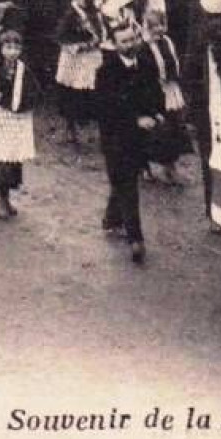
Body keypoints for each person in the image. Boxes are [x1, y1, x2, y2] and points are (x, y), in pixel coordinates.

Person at [94, 21, 165, 265]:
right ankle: (136, 239)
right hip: (116, 137)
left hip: (140, 137)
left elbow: (156, 93)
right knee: (127, 183)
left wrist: (157, 113)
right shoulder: (105, 72)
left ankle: (111, 218)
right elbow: (108, 108)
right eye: (124, 41)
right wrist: (136, 119)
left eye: (133, 39)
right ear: (114, 45)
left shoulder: (146, 64)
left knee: (125, 179)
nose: (131, 44)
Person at [0, 29, 38, 219]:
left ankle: (7, 198)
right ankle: (1, 200)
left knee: (11, 159)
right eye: (8, 47)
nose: (12, 52)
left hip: (14, 120)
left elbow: (35, 92)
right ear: (1, 49)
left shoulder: (24, 70)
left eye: (15, 47)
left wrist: (22, 104)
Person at [54, 0, 106, 145]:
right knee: (71, 92)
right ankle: (70, 126)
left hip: (91, 57)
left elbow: (102, 30)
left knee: (91, 92)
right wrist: (81, 44)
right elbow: (60, 35)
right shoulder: (71, 12)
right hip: (75, 58)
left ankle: (87, 125)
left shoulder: (97, 11)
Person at [141, 9, 189, 187]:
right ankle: (145, 165)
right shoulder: (144, 48)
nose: (159, 29)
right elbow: (145, 78)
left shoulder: (167, 42)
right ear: (147, 27)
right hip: (155, 93)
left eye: (162, 24)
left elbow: (174, 63)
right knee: (155, 131)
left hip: (170, 91)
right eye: (155, 26)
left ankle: (170, 166)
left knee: (174, 128)